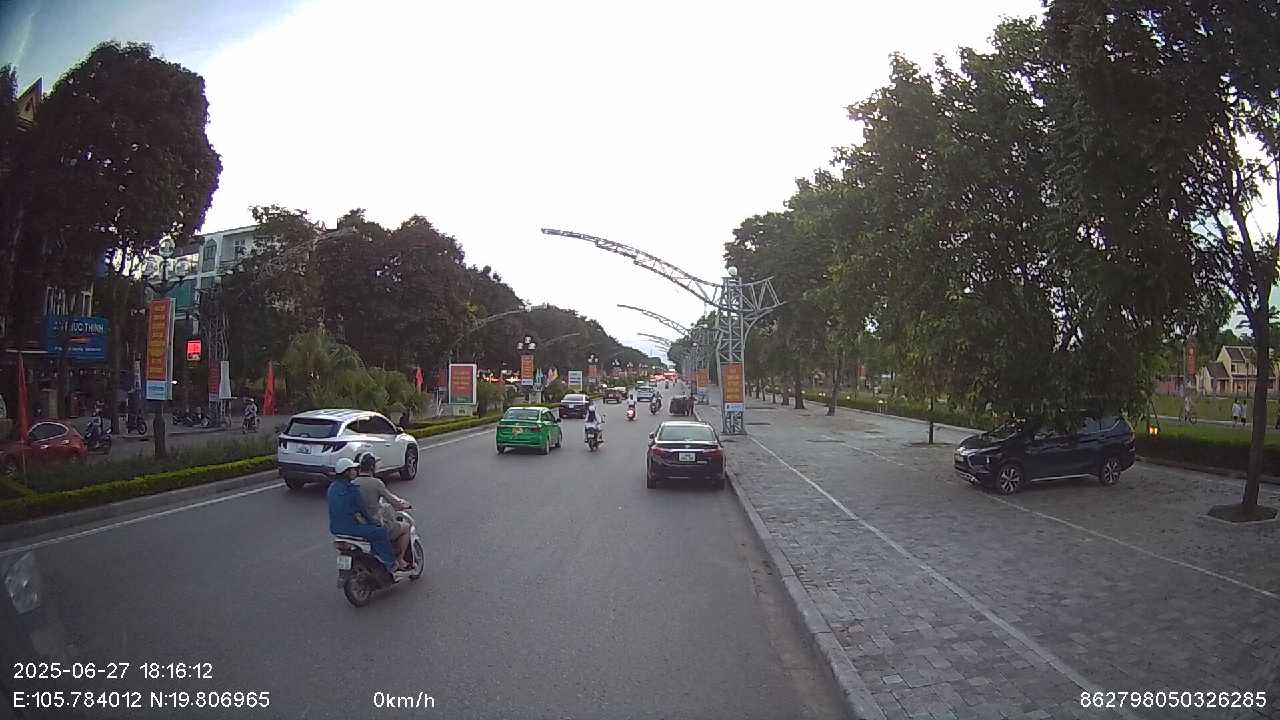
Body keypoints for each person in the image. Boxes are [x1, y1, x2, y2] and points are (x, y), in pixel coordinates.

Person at [327, 457, 398, 573]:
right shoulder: (352, 490)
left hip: (335, 529)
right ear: (346, 472)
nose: (355, 471)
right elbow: (363, 511)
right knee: (380, 532)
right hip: (350, 529)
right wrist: (374, 523)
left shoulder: (332, 488)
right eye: (352, 469)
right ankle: (390, 563)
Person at [352, 452, 414, 570]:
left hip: (358, 525)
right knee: (405, 527)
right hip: (374, 525)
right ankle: (400, 560)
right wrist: (402, 506)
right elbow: (392, 501)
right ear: (372, 467)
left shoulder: (353, 483)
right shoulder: (376, 483)